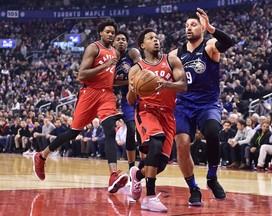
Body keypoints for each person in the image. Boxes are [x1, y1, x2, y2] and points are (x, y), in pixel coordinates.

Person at [33, 19, 129, 194]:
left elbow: (110, 78)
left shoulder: (115, 52)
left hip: (107, 94)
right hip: (89, 93)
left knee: (110, 130)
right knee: (73, 132)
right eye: (107, 32)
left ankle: (113, 174)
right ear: (100, 32)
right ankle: (41, 156)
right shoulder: (93, 48)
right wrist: (105, 65)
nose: (110, 34)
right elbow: (81, 75)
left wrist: (130, 80)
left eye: (112, 32)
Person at [169, 8, 234, 205]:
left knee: (214, 133)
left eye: (193, 24)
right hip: (183, 105)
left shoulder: (210, 46)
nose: (189, 28)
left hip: (207, 104)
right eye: (187, 25)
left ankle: (212, 177)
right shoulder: (175, 54)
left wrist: (211, 28)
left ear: (202, 29)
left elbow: (228, 42)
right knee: (181, 143)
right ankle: (193, 188)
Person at [127, 28, 187, 212]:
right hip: (146, 111)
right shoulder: (136, 69)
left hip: (168, 114)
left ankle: (137, 174)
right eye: (150, 38)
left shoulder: (172, 60)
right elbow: (130, 101)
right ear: (142, 45)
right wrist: (133, 89)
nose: (156, 40)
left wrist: (167, 84)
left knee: (160, 164)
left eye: (156, 37)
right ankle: (150, 197)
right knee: (155, 140)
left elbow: (183, 86)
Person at [113, 31, 142, 170]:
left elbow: (142, 69)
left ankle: (143, 162)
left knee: (142, 130)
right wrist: (127, 81)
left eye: (124, 39)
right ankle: (131, 166)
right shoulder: (111, 59)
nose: (121, 41)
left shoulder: (132, 53)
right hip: (127, 98)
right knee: (131, 128)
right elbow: (110, 82)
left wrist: (123, 81)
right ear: (113, 43)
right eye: (118, 39)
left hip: (142, 95)